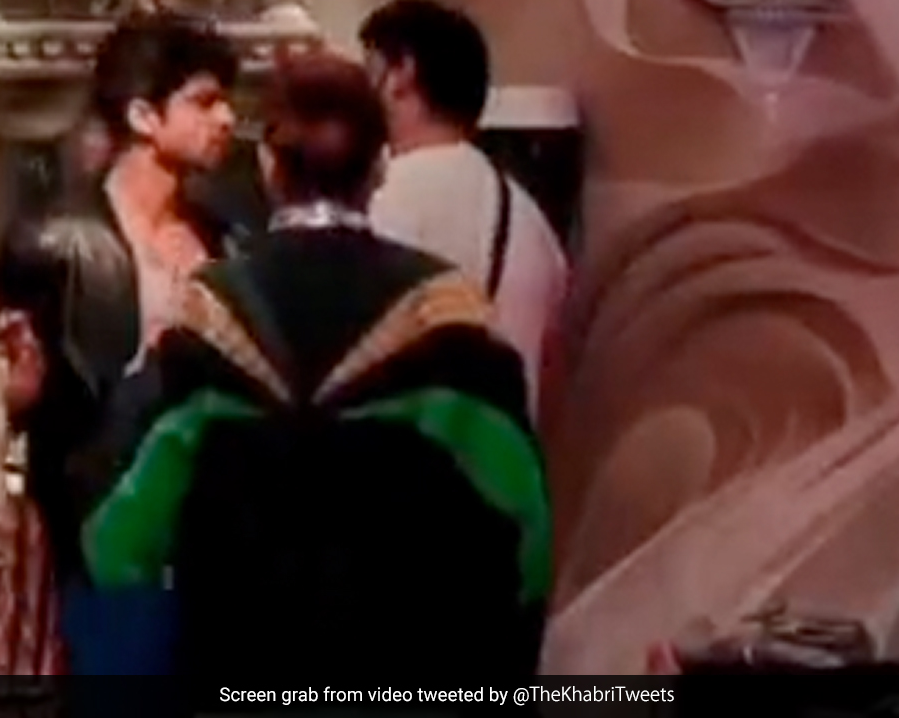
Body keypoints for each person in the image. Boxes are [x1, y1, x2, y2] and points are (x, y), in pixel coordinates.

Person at [70, 53, 552, 682]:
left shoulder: (211, 319)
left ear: (269, 166)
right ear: (380, 167)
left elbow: (117, 543)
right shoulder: (445, 317)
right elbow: (527, 537)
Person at [0, 11, 242, 675]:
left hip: (204, 541)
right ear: (143, 115)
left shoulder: (228, 241)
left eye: (227, 101)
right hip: (93, 540)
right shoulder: (53, 243)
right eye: (204, 101)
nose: (226, 118)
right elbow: (31, 406)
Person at [359, 0, 568, 417]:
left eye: (369, 70)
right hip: (502, 450)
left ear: (401, 73)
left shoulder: (381, 196)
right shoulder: (534, 223)